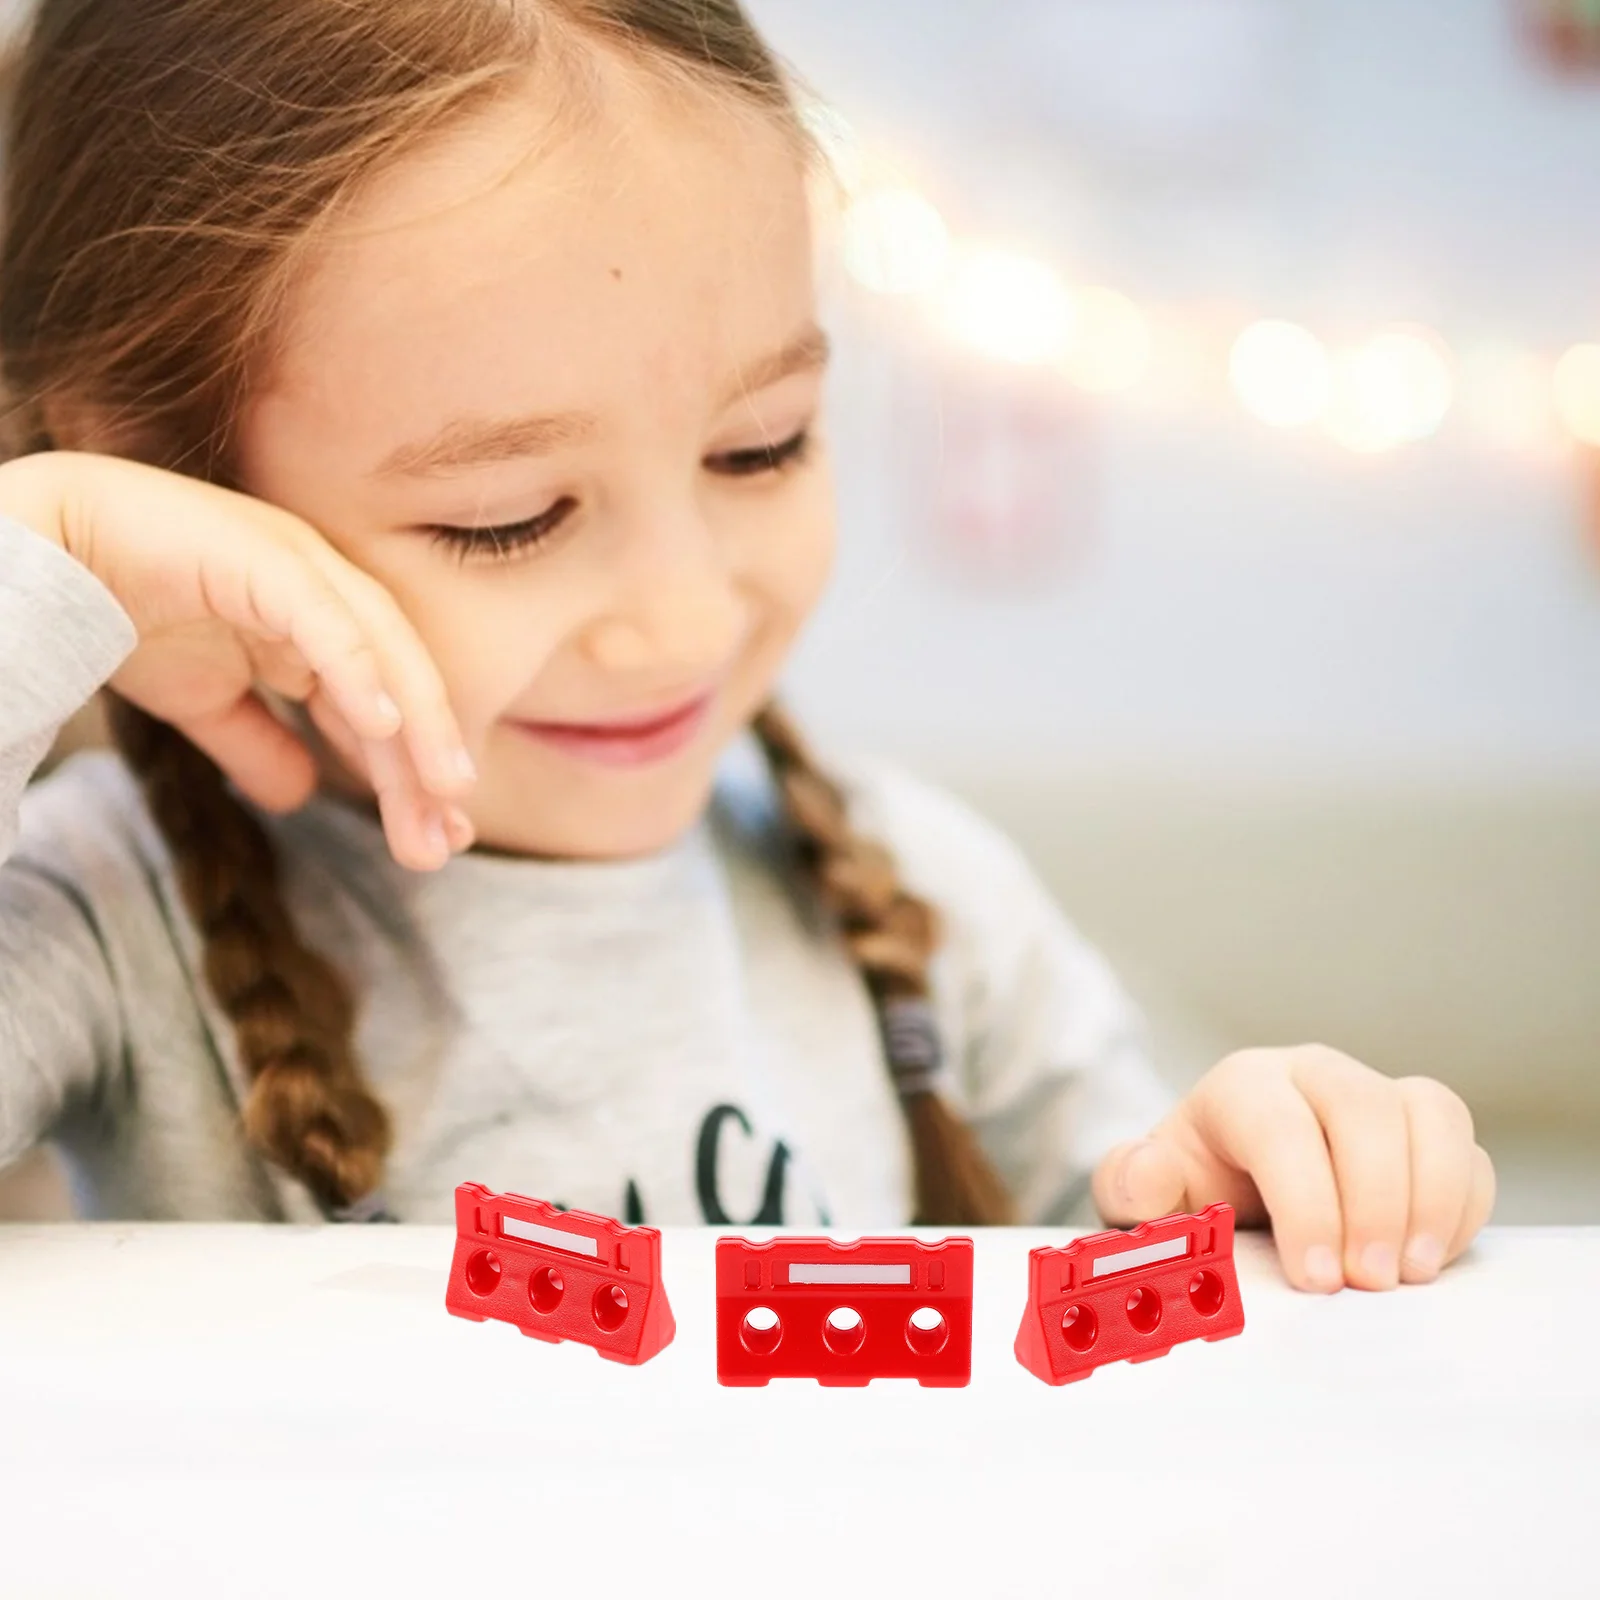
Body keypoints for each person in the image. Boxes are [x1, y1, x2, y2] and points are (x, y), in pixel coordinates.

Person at [0, 0, 1492, 1291]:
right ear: (165, 481)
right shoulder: (104, 921)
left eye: (762, 449)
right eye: (508, 520)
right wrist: (53, 560)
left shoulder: (915, 902)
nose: (685, 620)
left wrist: (1268, 1181)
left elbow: (1145, 1307)